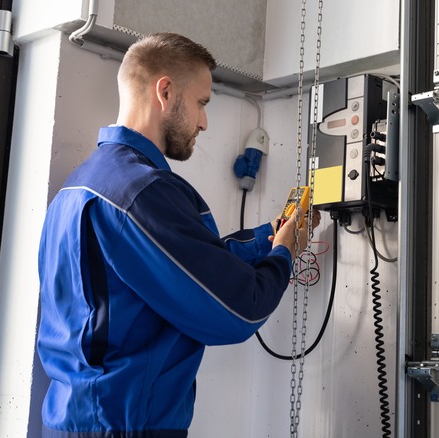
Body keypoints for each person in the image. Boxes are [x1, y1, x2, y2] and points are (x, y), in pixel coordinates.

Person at [37, 32, 316, 437]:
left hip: (79, 419)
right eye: (202, 103)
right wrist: (284, 256)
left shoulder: (80, 187)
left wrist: (266, 239)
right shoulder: (143, 193)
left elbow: (180, 269)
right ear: (165, 92)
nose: (204, 121)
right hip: (124, 426)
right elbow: (239, 310)